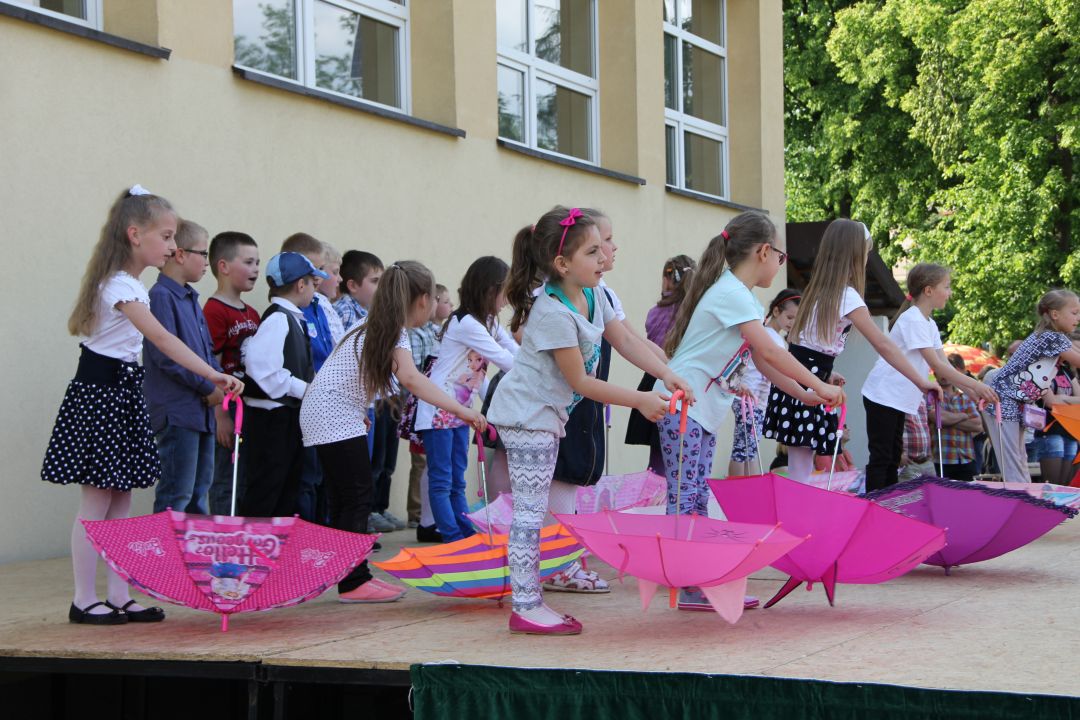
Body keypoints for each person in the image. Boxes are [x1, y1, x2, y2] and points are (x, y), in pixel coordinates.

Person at [487, 205, 694, 635]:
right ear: (562, 264)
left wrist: (668, 374)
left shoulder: (595, 295)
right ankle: (526, 606)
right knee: (530, 512)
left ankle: (537, 594)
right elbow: (580, 381)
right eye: (593, 251)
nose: (604, 257)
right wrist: (640, 400)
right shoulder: (552, 313)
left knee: (541, 507)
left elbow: (625, 342)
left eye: (603, 248)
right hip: (525, 416)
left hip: (546, 414)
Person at [42, 186, 242, 625]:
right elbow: (162, 339)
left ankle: (119, 594)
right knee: (96, 503)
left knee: (121, 501)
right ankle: (82, 599)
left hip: (123, 392)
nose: (172, 246)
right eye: (166, 236)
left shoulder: (133, 285)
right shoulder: (119, 284)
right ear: (135, 235)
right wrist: (212, 374)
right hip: (100, 395)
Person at [659, 211, 842, 611]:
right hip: (683, 407)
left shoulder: (739, 296)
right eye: (780, 256)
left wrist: (805, 394)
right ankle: (688, 583)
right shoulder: (733, 294)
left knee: (695, 495)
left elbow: (763, 361)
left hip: (699, 409)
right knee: (686, 496)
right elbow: (772, 352)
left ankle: (695, 581)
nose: (780, 263)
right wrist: (819, 385)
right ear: (763, 252)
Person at [300, 262, 485, 603]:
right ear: (422, 299)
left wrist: (359, 410)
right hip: (331, 413)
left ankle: (348, 576)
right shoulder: (392, 330)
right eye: (433, 298)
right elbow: (413, 380)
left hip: (328, 411)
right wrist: (462, 410)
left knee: (346, 497)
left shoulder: (376, 324)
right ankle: (354, 581)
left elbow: (345, 372)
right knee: (357, 496)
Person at [763, 219, 939, 485]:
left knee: (801, 463)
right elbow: (883, 344)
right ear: (855, 255)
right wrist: (921, 381)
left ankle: (797, 507)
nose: (866, 259)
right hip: (809, 379)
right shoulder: (846, 296)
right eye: (865, 253)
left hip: (802, 375)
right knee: (803, 466)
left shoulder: (817, 291)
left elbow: (805, 344)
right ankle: (799, 509)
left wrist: (826, 372)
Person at [861, 263, 996, 491]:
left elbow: (944, 365)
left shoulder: (928, 323)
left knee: (892, 458)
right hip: (883, 394)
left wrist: (971, 391)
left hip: (897, 397)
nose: (949, 292)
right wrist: (977, 385)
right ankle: (875, 504)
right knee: (883, 458)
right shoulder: (913, 319)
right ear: (929, 290)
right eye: (947, 286)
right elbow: (936, 365)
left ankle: (887, 505)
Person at [415, 256, 518, 543]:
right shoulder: (466, 323)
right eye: (504, 292)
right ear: (489, 290)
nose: (506, 300)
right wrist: (543, 373)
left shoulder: (488, 322)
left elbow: (513, 350)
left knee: (457, 480)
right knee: (442, 480)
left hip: (461, 411)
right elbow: (506, 360)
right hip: (438, 409)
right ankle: (452, 537)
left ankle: (465, 535)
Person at [239, 252, 328, 517]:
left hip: (285, 416)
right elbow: (263, 370)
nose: (314, 289)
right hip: (271, 420)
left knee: (286, 488)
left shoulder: (291, 317)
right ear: (301, 285)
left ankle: (275, 539)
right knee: (267, 488)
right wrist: (304, 389)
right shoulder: (278, 318)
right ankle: (256, 539)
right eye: (312, 282)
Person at [144, 219, 222, 515]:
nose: (207, 263)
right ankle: (166, 547)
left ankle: (192, 547)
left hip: (201, 412)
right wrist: (207, 386)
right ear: (180, 254)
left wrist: (219, 383)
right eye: (203, 254)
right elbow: (167, 356)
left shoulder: (190, 298)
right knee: (176, 494)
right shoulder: (160, 296)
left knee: (199, 493)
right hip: (178, 412)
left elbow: (206, 352)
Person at [280, 233, 344, 524]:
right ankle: (305, 534)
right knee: (306, 477)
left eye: (321, 269)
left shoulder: (319, 305)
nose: (320, 276)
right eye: (314, 269)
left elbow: (332, 351)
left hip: (327, 403)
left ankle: (322, 531)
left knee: (323, 475)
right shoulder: (287, 312)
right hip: (304, 403)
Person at [984, 290, 1080, 483]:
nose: (1078, 318)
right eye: (1074, 312)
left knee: (1018, 458)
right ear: (1055, 314)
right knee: (1012, 460)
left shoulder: (1054, 337)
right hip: (1003, 397)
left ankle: (1024, 495)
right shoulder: (1050, 337)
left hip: (1014, 399)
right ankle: (1020, 497)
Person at [203, 231, 261, 514]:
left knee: (246, 478)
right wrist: (220, 415)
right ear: (223, 266)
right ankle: (223, 533)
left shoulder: (252, 312)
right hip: (228, 407)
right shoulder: (214, 311)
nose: (256, 269)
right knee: (226, 479)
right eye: (248, 262)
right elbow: (210, 364)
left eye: (257, 262)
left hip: (249, 407)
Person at [625, 255, 696, 474]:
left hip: (655, 377)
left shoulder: (655, 313)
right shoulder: (694, 314)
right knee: (684, 451)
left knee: (658, 451)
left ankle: (654, 489)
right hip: (683, 381)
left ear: (666, 279)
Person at [728, 288, 801, 477]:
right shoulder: (767, 335)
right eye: (789, 317)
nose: (792, 323)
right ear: (776, 311)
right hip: (747, 397)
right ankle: (740, 487)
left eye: (796, 319)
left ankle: (747, 487)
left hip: (757, 400)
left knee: (749, 449)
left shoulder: (774, 337)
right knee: (744, 448)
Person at [405, 283, 451, 530]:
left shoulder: (437, 331)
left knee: (432, 463)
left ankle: (426, 515)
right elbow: (412, 371)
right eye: (444, 300)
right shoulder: (413, 332)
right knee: (422, 461)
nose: (449, 306)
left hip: (433, 400)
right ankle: (418, 513)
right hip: (421, 401)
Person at [1033, 334, 1080, 485]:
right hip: (1050, 431)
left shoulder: (1066, 371)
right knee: (1052, 486)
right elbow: (1050, 402)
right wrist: (1068, 401)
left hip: (1070, 433)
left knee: (1066, 487)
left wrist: (1063, 398)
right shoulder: (1043, 368)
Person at [930, 373, 982, 482]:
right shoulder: (931, 396)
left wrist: (948, 420)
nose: (944, 376)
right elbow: (938, 418)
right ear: (935, 374)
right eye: (940, 372)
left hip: (966, 459)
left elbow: (978, 425)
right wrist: (963, 416)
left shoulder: (964, 397)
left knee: (968, 492)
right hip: (941, 459)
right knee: (943, 492)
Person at [898, 401, 935, 481]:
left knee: (934, 488)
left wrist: (930, 452)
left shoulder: (922, 399)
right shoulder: (898, 399)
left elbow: (928, 424)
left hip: (927, 461)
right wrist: (898, 453)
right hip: (908, 463)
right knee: (907, 490)